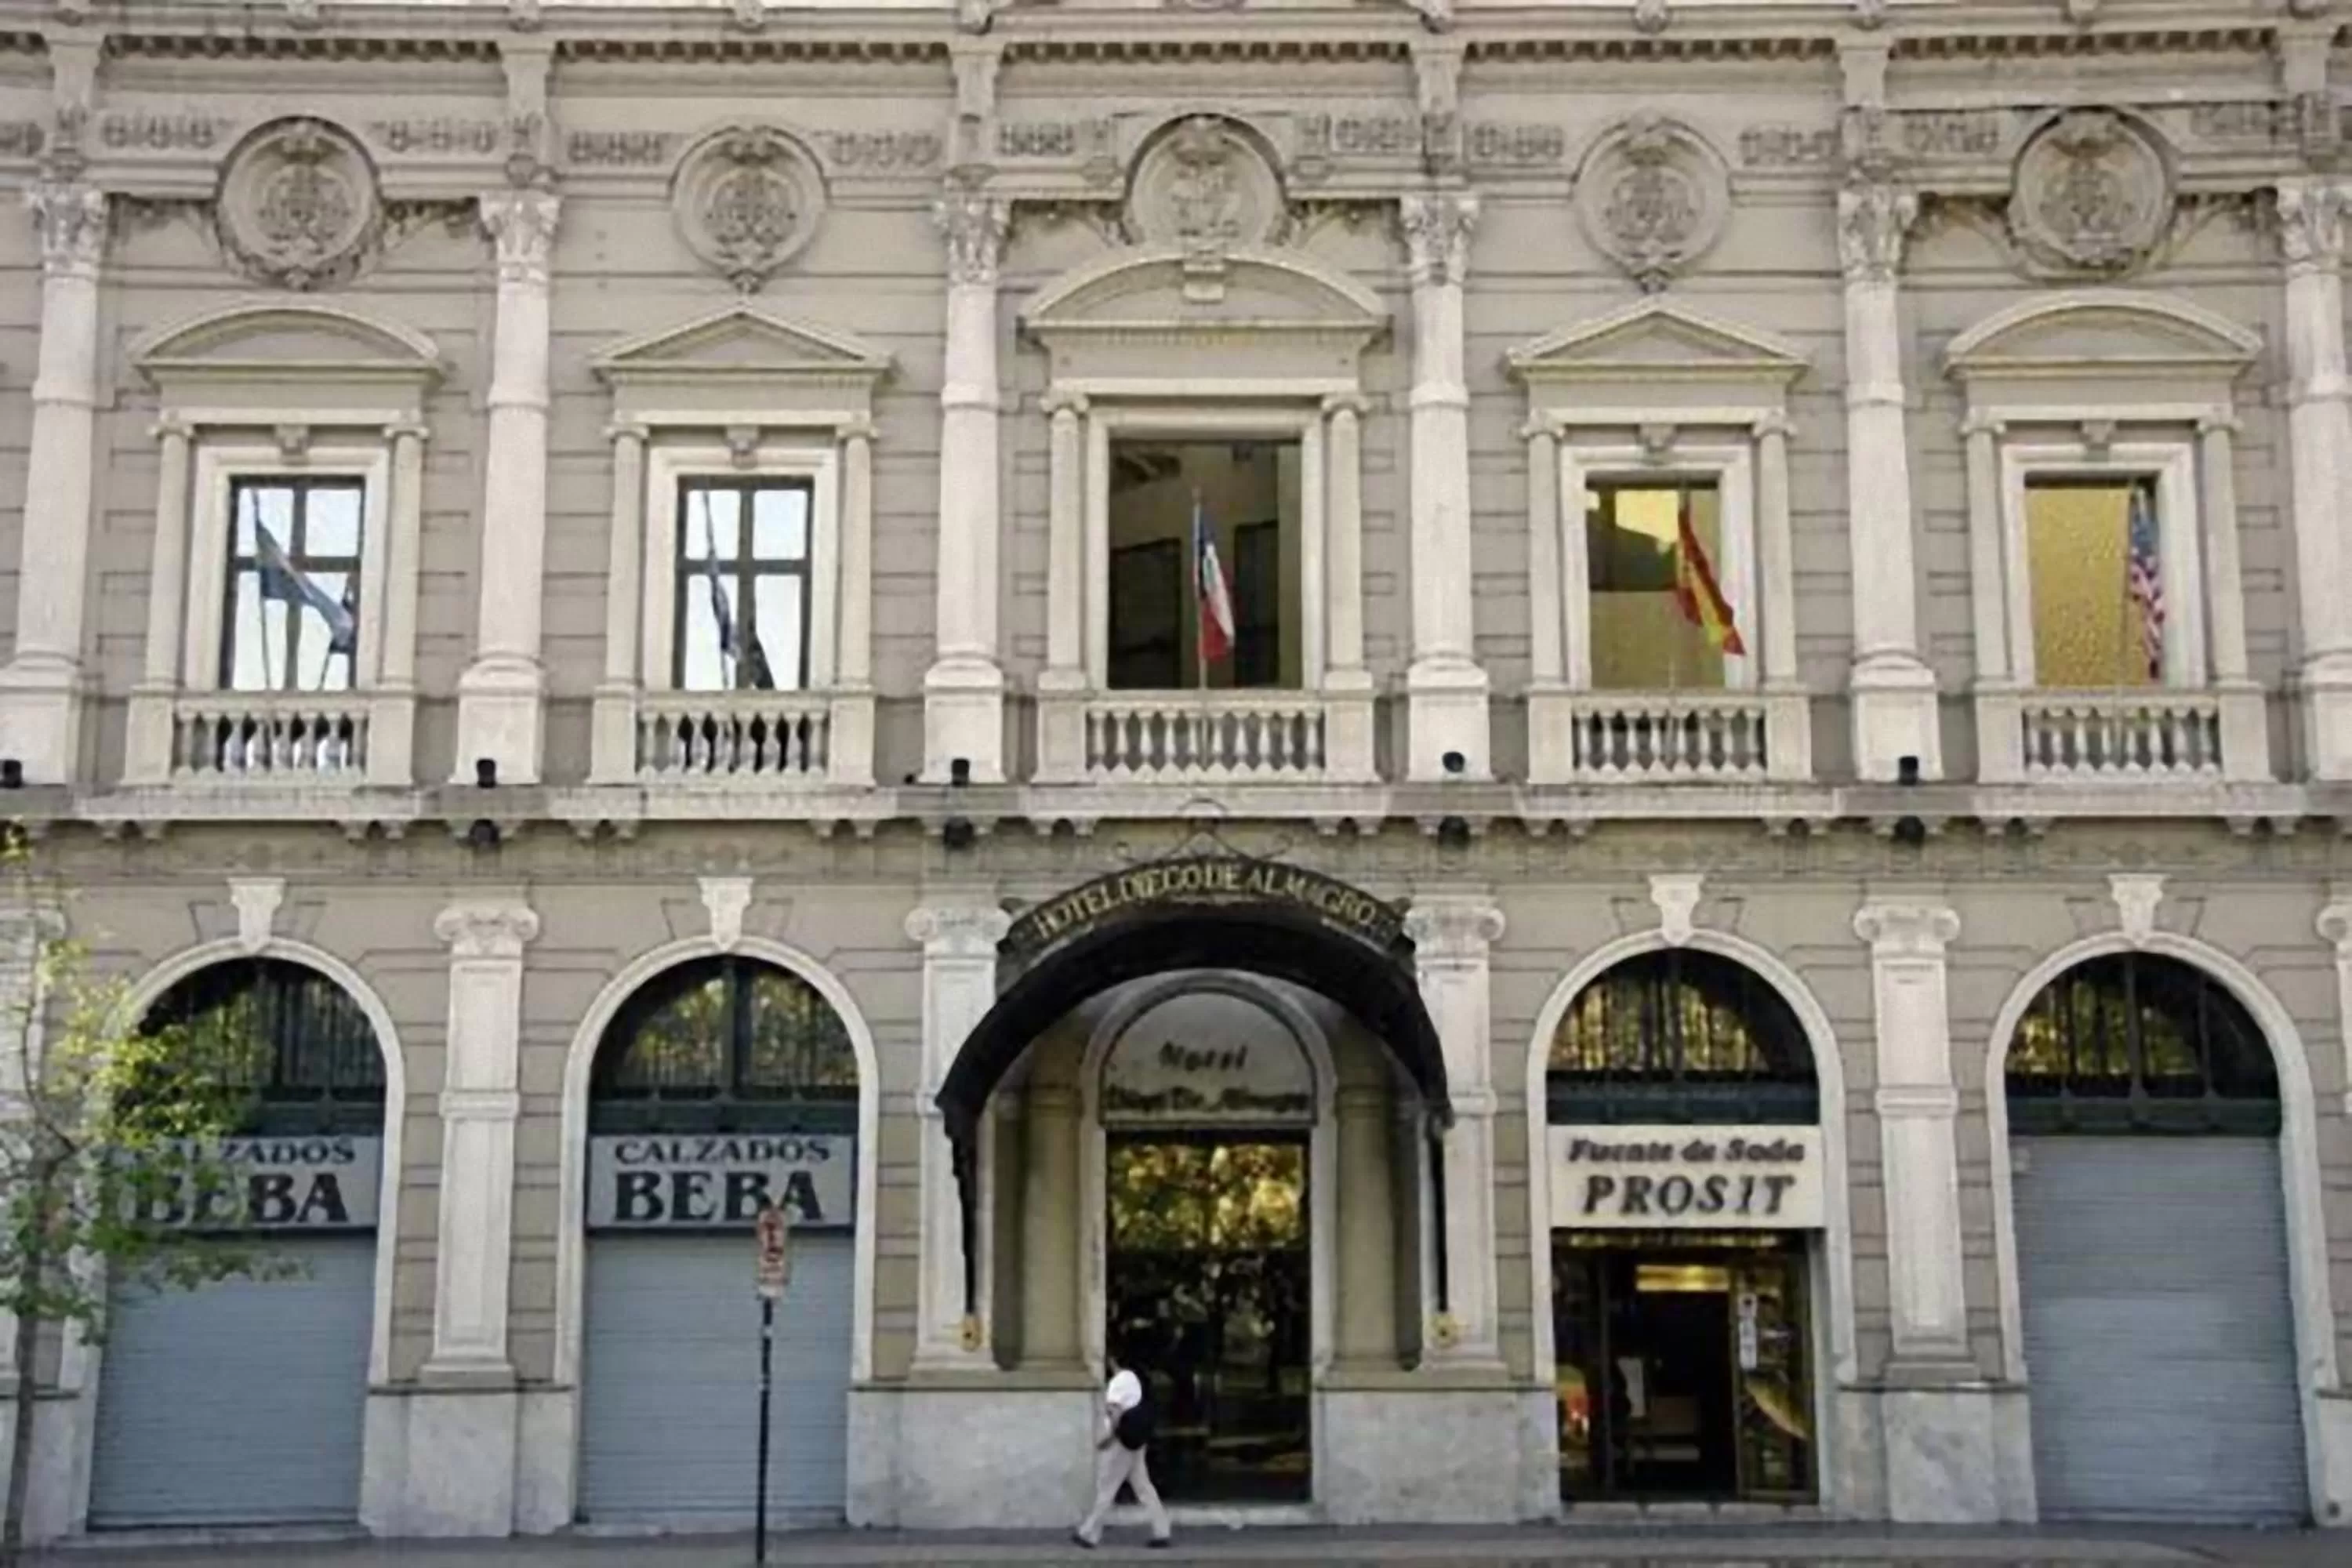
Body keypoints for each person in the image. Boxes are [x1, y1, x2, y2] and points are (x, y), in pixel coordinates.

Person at [1073, 1353, 1171, 1550]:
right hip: (1136, 1440)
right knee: (1144, 1487)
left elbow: (1115, 1412)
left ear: (1112, 1362)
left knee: (1108, 1487)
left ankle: (1088, 1533)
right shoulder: (1135, 1380)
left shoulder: (1119, 1381)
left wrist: (1107, 1439)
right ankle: (1162, 1530)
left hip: (1121, 1442)